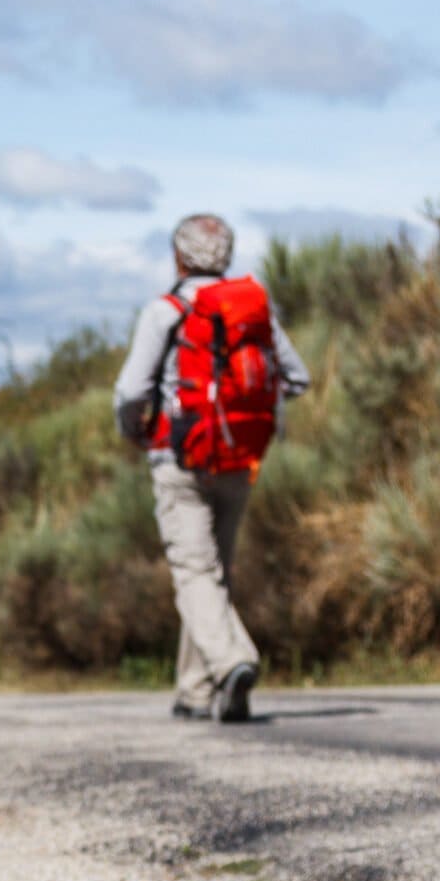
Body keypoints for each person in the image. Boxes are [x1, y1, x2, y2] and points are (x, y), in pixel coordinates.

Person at [112, 212, 310, 724]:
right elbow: (297, 377)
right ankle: (195, 691)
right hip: (240, 457)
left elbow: (131, 391)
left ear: (178, 256)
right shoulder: (251, 310)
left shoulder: (166, 311)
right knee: (214, 572)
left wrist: (135, 429)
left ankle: (232, 662)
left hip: (180, 458)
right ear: (226, 255)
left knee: (194, 571)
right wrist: (245, 407)